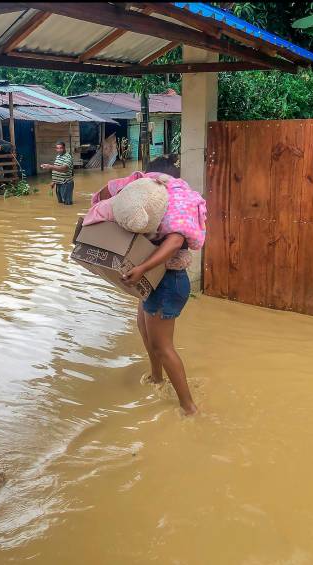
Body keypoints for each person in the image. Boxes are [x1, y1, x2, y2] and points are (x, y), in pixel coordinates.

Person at [95, 156, 200, 416]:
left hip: (168, 282)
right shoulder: (156, 205)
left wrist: (141, 268)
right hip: (155, 281)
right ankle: (156, 378)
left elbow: (175, 242)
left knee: (163, 347)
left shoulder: (175, 205)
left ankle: (189, 408)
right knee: (143, 328)